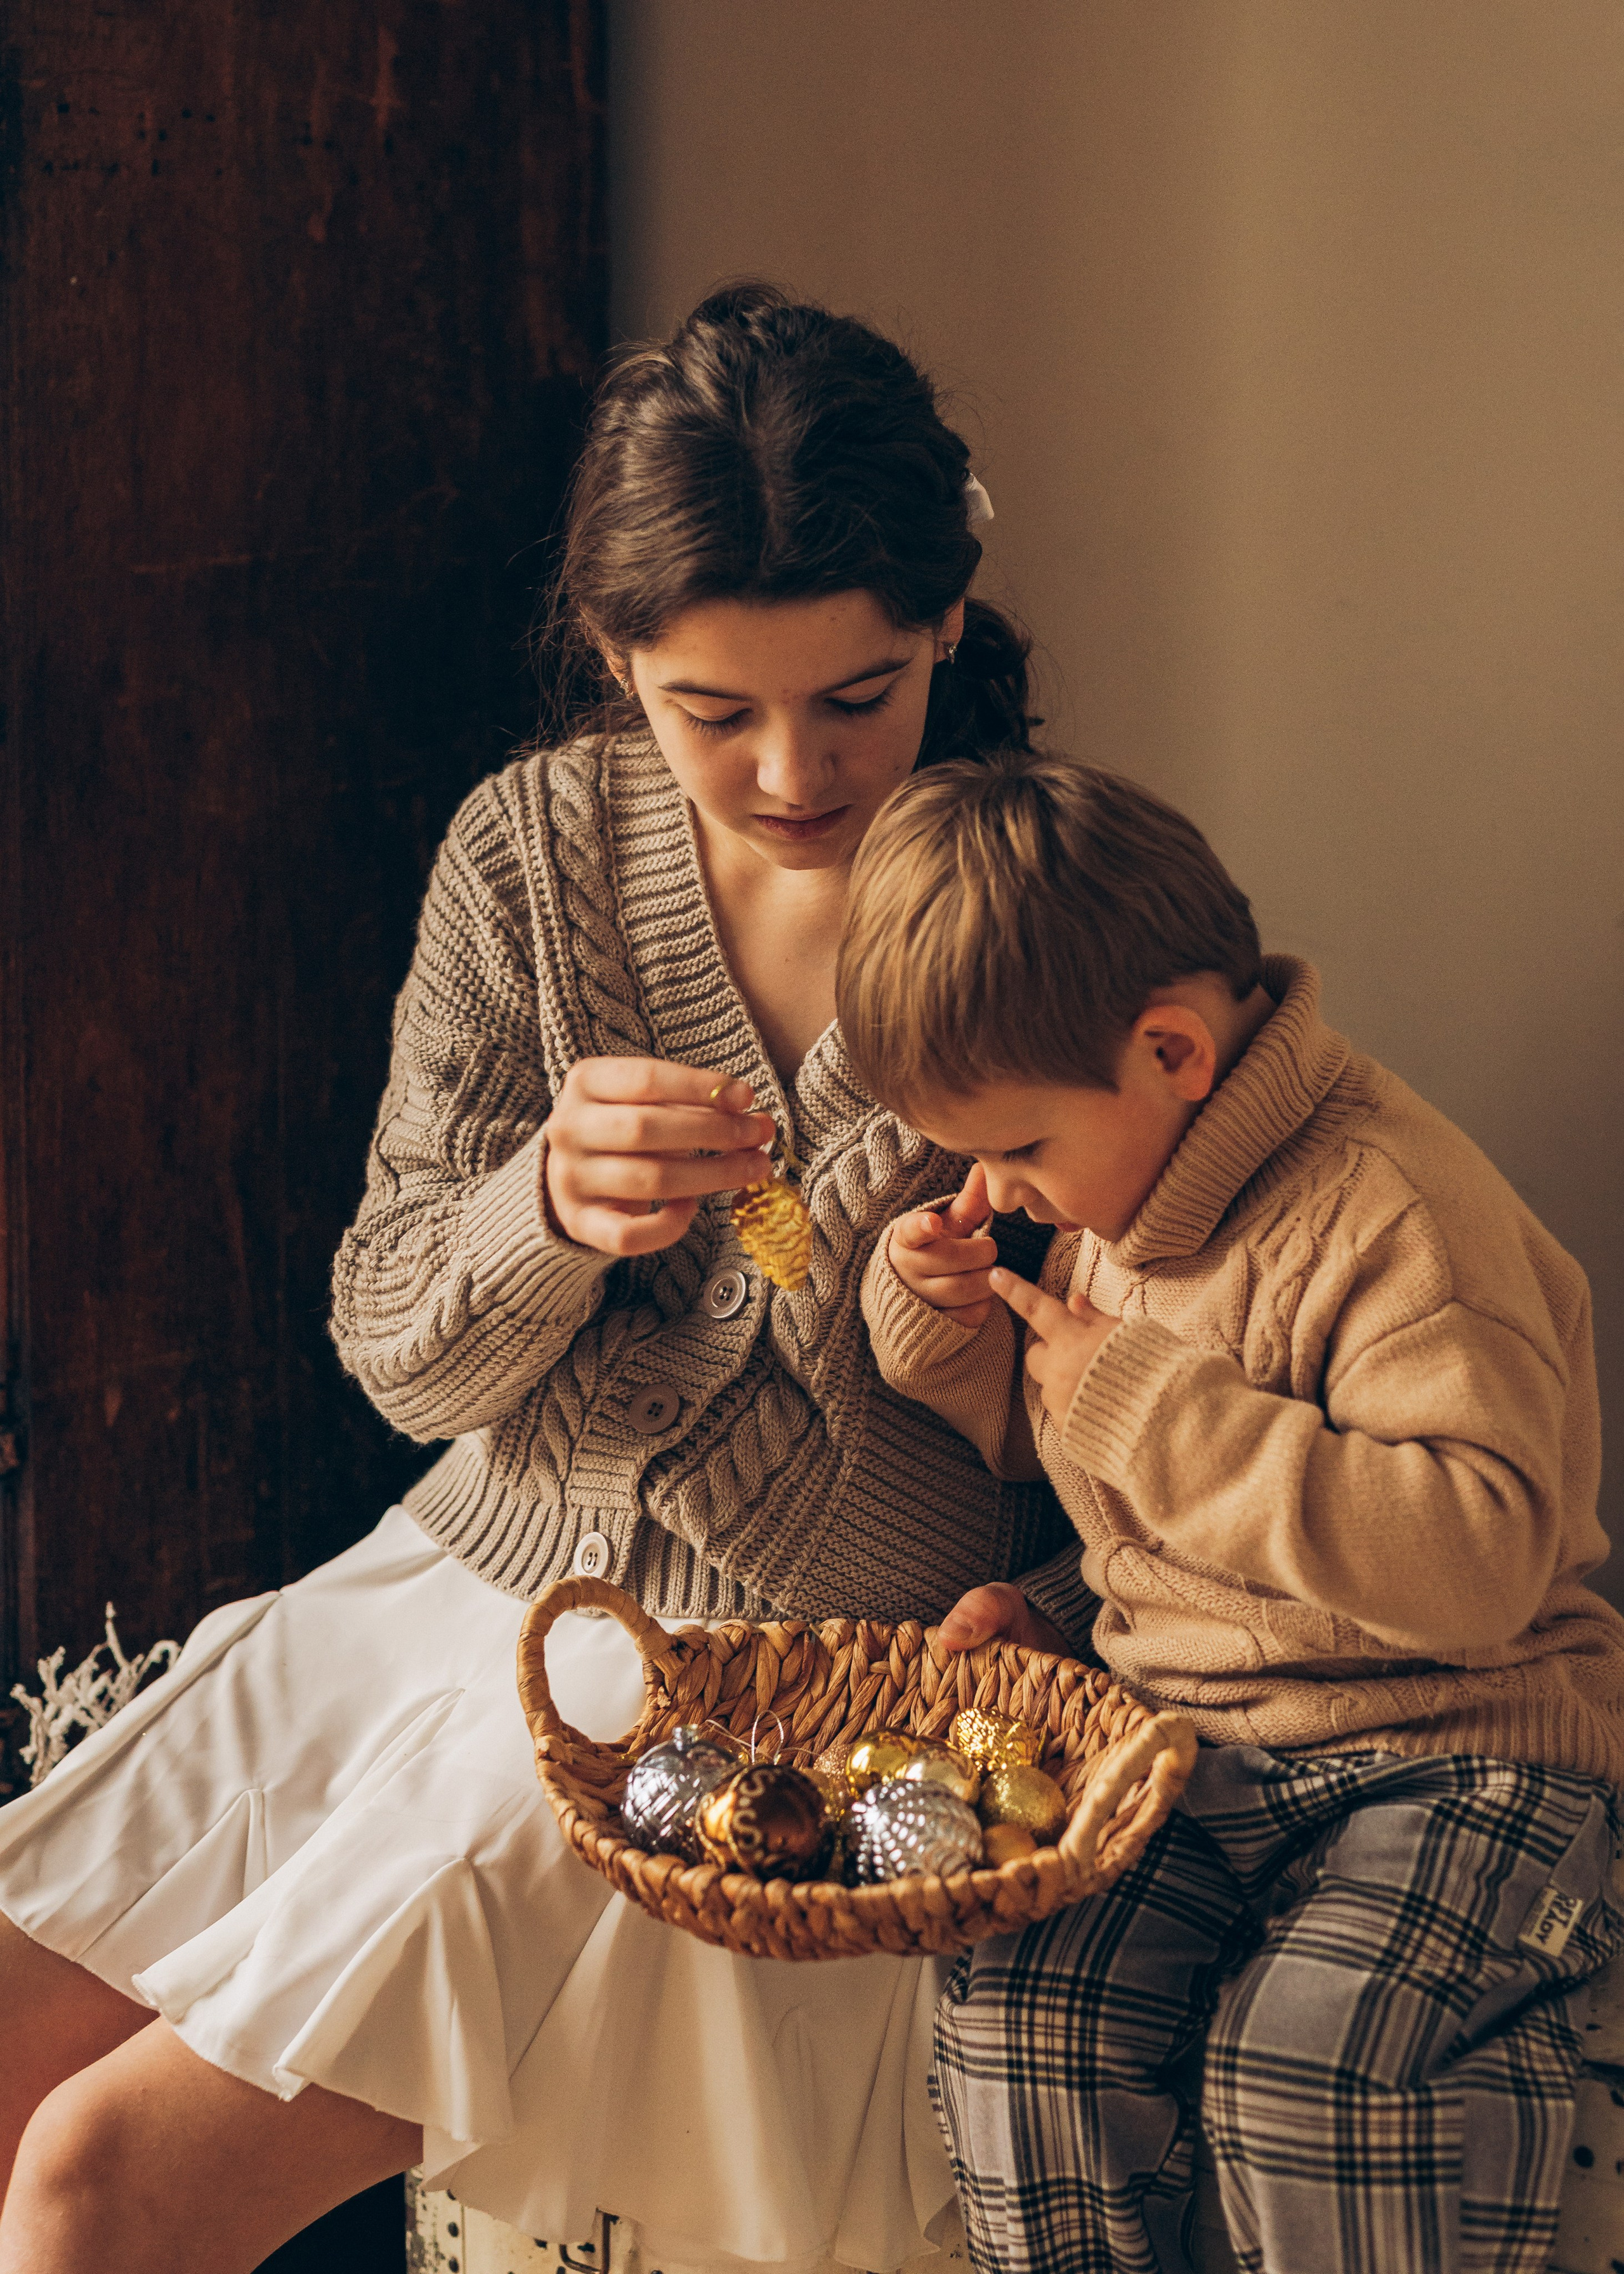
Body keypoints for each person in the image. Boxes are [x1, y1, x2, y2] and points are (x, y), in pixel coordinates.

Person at [0, 286, 1090, 2274]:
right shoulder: (531, 857)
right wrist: (542, 1212)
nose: (787, 773)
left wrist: (991, 1448)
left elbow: (1171, 1405)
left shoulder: (1057, 914)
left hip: (749, 1678)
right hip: (462, 1573)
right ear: (613, 655)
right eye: (712, 712)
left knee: (96, 2186)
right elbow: (400, 1349)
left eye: (857, 697)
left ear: (948, 618)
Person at [837, 747, 1624, 2274]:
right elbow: (1083, 1471)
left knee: (1305, 2067)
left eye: (1019, 1146)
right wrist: (940, 1335)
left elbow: (1469, 1561)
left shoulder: (1398, 1216)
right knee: (1017, 2016)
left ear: (1174, 1054)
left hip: (1455, 1745)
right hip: (1196, 1748)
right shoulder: (1119, 1199)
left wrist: (1148, 1403)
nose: (998, 1192)